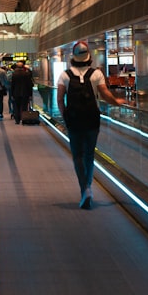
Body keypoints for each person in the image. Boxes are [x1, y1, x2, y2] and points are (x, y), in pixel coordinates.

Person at [56, 40, 124, 208]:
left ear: (73, 56)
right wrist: (117, 102)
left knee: (77, 156)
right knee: (89, 155)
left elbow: (59, 100)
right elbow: (105, 94)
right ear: (89, 56)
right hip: (92, 118)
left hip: (74, 120)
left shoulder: (65, 75)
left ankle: (84, 189)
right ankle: (89, 186)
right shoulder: (96, 74)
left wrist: (66, 118)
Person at [9, 60, 35, 124]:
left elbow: (12, 85)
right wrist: (30, 94)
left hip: (16, 93)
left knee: (16, 106)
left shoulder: (14, 74)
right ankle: (24, 119)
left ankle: (17, 120)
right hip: (25, 93)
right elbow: (29, 85)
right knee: (24, 106)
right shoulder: (26, 74)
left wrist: (11, 94)